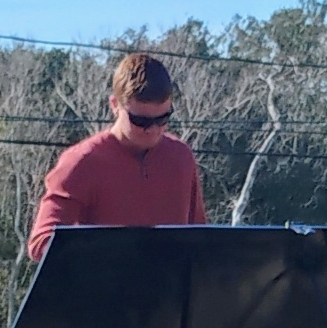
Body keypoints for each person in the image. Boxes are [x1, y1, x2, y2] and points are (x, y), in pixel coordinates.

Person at [28, 50, 205, 259]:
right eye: (141, 121)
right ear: (115, 105)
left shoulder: (181, 157)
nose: (153, 129)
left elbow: (201, 239)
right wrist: (112, 256)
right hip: (102, 278)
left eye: (163, 118)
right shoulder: (82, 162)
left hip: (170, 280)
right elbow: (42, 242)